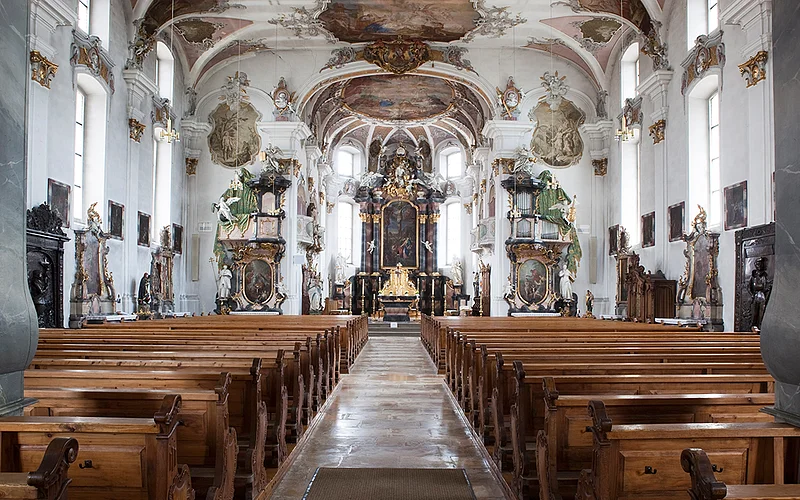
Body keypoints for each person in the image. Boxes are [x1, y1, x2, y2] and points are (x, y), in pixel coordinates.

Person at [749, 257, 769, 330]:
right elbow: (749, 287)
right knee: (754, 313)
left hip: (762, 296)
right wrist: (752, 295)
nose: (759, 265)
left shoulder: (765, 276)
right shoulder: (753, 276)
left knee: (762, 312)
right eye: (758, 264)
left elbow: (766, 286)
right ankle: (753, 326)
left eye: (761, 264)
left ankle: (761, 326)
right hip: (756, 295)